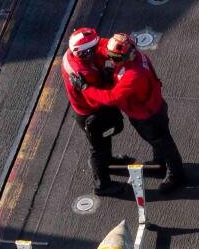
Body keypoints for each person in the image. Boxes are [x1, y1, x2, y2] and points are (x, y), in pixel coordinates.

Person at [73, 33, 189, 193]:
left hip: (147, 116)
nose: (111, 60)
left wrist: (85, 88)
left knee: (163, 142)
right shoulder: (136, 58)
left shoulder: (133, 75)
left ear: (123, 57)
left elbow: (111, 98)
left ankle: (176, 174)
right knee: (158, 140)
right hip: (152, 108)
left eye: (114, 58)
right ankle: (160, 162)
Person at [61, 27, 125, 195]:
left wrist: (115, 48)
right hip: (92, 113)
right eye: (94, 47)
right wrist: (111, 81)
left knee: (105, 139)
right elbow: (96, 97)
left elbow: (102, 45)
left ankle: (109, 162)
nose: (99, 47)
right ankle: (103, 185)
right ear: (86, 53)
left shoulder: (72, 54)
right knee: (98, 149)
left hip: (86, 109)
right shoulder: (85, 73)